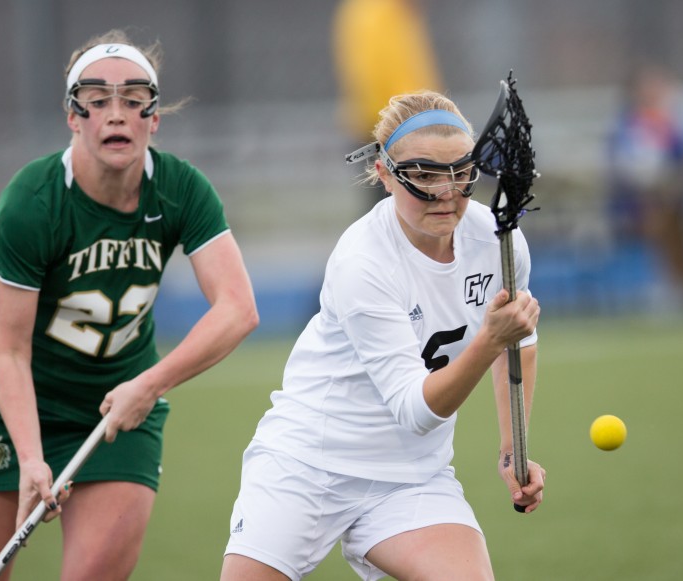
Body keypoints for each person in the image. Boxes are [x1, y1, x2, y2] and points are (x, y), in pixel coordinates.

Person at [0, 29, 259, 580]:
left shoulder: (182, 189)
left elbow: (237, 308)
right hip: (16, 407)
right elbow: (9, 352)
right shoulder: (32, 201)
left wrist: (150, 385)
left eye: (133, 101)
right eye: (98, 100)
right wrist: (32, 458)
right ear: (73, 116)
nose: (116, 115)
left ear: (153, 119)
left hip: (118, 413)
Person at [221, 90, 545, 581]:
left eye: (461, 172)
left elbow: (518, 342)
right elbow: (416, 410)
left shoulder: (497, 240)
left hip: (412, 476)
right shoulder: (363, 261)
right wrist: (487, 341)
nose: (446, 192)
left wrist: (510, 446)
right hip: (308, 464)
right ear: (385, 176)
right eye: (423, 175)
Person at [606, 64, 683, 306]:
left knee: (678, 212)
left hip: (675, 198)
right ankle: (666, 284)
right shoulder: (627, 125)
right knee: (657, 213)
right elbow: (623, 168)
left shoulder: (673, 123)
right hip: (634, 203)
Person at [332, 0, 444, 212]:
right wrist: (412, 121)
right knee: (393, 209)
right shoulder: (376, 13)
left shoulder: (393, 12)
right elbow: (373, 79)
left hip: (398, 124)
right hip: (389, 129)